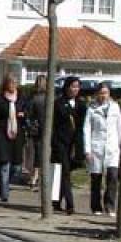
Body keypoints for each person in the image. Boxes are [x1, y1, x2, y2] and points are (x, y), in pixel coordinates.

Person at [83, 82, 121, 216]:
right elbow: (87, 129)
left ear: (109, 94)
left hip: (112, 147)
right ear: (97, 94)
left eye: (106, 93)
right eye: (101, 93)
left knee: (112, 177)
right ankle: (96, 207)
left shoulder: (115, 107)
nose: (103, 95)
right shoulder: (91, 109)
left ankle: (110, 206)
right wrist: (87, 149)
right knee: (96, 178)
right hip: (97, 147)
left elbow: (120, 127)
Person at [51, 76, 84, 215]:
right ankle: (69, 204)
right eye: (73, 86)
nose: (75, 89)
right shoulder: (58, 103)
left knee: (65, 172)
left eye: (77, 87)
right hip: (60, 142)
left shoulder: (81, 105)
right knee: (62, 172)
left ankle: (56, 201)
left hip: (74, 143)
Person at [0, 74, 24, 204]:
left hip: (17, 135)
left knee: (16, 167)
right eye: (11, 82)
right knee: (4, 164)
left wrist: (23, 115)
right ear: (6, 84)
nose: (13, 85)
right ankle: (5, 193)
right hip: (2, 135)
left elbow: (27, 113)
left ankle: (4, 185)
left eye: (15, 82)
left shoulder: (21, 99)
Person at [23, 75, 47, 187]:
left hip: (35, 129)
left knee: (34, 152)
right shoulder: (49, 98)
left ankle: (34, 176)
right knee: (39, 153)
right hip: (43, 129)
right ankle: (37, 175)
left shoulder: (32, 97)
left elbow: (28, 113)